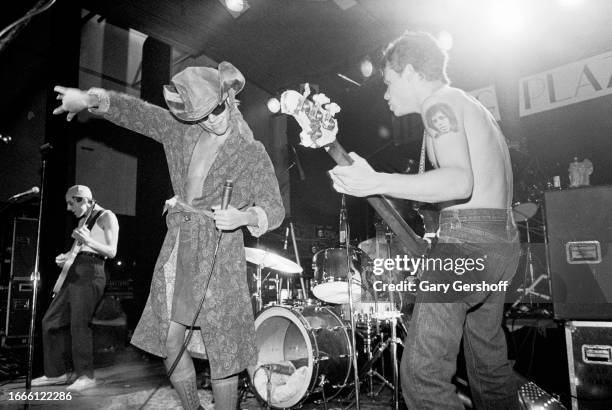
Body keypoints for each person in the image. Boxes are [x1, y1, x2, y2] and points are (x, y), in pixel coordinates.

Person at [52, 62, 285, 409]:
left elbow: (274, 207)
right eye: (200, 116)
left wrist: (245, 215)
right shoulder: (182, 132)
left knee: (223, 352)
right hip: (179, 246)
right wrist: (88, 99)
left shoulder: (251, 152)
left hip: (219, 253)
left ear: (229, 97)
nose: (211, 120)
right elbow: (139, 113)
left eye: (216, 109)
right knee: (169, 340)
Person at [329, 31, 520, 409]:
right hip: (501, 243)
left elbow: (459, 181)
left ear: (412, 72)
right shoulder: (470, 106)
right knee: (489, 371)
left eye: (388, 82)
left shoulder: (438, 105)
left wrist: (377, 180)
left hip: (468, 244)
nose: (385, 94)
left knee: (421, 377)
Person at [32, 185, 119, 391]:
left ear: (82, 199)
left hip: (92, 271)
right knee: (50, 321)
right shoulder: (83, 221)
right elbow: (79, 250)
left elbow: (112, 251)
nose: (69, 208)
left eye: (72, 203)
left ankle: (86, 376)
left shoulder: (107, 216)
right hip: (76, 270)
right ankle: (55, 373)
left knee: (79, 323)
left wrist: (87, 240)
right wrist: (66, 258)